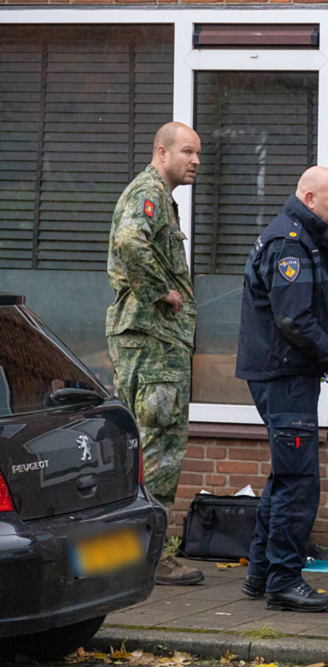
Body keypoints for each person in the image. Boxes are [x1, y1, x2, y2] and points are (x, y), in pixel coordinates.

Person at [235, 166, 328, 612]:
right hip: (284, 377)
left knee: (285, 475)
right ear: (310, 195)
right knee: (299, 481)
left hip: (283, 373)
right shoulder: (290, 245)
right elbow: (293, 319)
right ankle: (283, 580)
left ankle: (261, 573)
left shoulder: (301, 236)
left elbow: (312, 303)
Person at [107, 122, 205, 586]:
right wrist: (161, 292)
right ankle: (154, 558)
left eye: (197, 153)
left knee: (140, 445)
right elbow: (129, 242)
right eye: (187, 151)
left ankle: (127, 554)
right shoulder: (147, 192)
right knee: (158, 447)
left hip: (149, 342)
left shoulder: (158, 197)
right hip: (154, 343)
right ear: (160, 152)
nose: (195, 161)